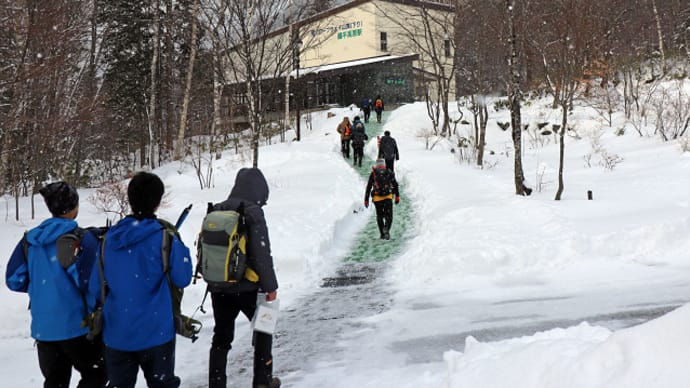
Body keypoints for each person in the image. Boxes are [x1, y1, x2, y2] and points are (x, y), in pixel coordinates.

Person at [89, 171, 192, 388]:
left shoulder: (108, 240)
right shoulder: (164, 237)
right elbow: (182, 278)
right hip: (157, 332)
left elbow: (96, 287)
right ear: (157, 202)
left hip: (117, 333)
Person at [5, 181, 107, 388]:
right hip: (77, 326)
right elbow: (90, 282)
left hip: (44, 329)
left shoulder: (30, 240)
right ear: (74, 207)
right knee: (98, 373)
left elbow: (13, 279)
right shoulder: (82, 238)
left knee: (55, 382)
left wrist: (41, 286)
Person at [208, 168, 281, 388]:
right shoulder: (252, 211)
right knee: (263, 329)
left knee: (221, 337)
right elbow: (261, 254)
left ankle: (216, 383)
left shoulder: (217, 209)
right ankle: (262, 380)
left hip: (219, 285)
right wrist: (271, 286)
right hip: (248, 287)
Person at [364, 159, 400, 240]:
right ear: (384, 164)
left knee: (379, 216)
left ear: (377, 165)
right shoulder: (389, 172)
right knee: (389, 216)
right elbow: (395, 184)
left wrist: (366, 200)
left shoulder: (374, 173)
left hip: (377, 199)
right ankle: (386, 229)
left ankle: (382, 234)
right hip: (388, 197)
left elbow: (369, 187)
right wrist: (397, 196)